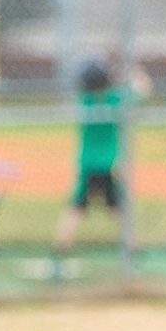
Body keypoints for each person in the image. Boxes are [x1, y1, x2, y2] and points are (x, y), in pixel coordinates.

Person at [52, 59, 147, 272]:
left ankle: (62, 248)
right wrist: (131, 69)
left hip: (87, 165)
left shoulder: (85, 102)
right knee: (120, 208)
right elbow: (143, 89)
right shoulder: (115, 100)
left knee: (77, 207)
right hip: (110, 165)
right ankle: (133, 247)